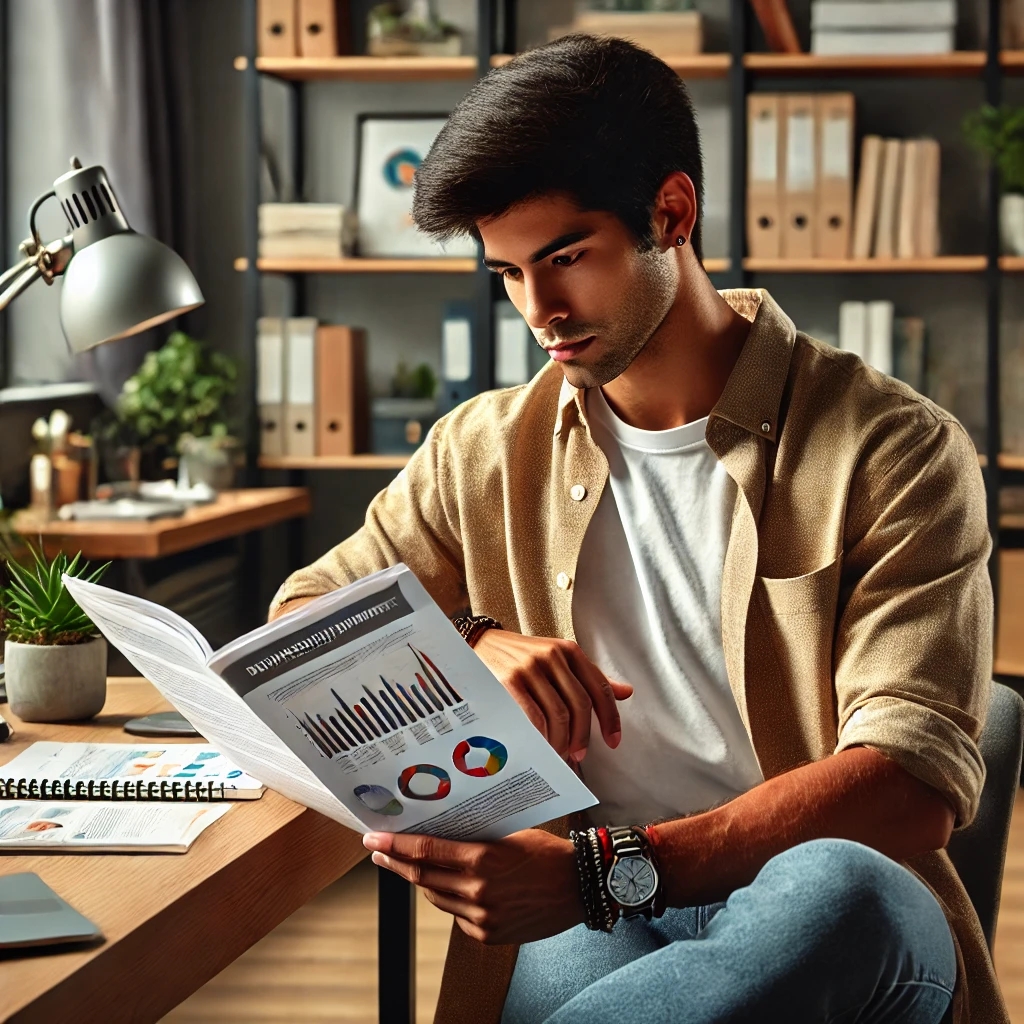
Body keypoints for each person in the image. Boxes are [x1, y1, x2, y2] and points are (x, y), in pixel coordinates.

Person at [269, 34, 1001, 1024]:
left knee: (847, 887)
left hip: (798, 900)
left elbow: (911, 781)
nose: (541, 310)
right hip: (590, 906)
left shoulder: (896, 449)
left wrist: (604, 870)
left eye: (568, 258)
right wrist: (474, 642)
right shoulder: (479, 449)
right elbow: (301, 614)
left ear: (671, 212)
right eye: (510, 272)